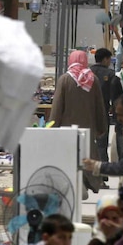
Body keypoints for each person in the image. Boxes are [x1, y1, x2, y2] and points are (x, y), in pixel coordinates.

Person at [51, 50, 108, 193]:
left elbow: (57, 107)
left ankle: (72, 186)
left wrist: (52, 126)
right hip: (88, 130)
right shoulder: (92, 79)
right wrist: (102, 127)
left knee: (68, 159)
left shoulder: (64, 79)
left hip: (66, 130)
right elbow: (100, 106)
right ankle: (84, 184)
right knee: (86, 158)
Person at [91, 48, 117, 162]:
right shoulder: (110, 74)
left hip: (88, 111)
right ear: (105, 59)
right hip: (103, 111)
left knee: (89, 140)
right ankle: (103, 168)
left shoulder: (87, 72)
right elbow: (114, 94)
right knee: (102, 142)